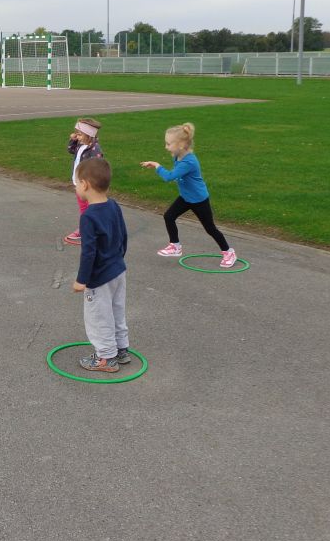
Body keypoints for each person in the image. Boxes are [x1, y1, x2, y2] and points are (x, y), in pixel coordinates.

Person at [140, 122, 237, 268]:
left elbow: (169, 177)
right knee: (169, 216)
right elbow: (178, 174)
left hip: (199, 200)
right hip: (186, 197)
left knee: (210, 228)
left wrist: (157, 166)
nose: (166, 147)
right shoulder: (177, 156)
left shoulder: (189, 162)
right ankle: (175, 246)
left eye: (168, 144)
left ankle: (229, 252)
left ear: (181, 145)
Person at [72, 158, 130, 373]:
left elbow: (89, 252)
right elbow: (123, 234)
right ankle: (121, 349)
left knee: (98, 317)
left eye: (77, 183)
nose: (76, 187)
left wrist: (82, 280)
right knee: (116, 310)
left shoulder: (88, 216)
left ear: (85, 184)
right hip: (118, 270)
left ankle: (106, 358)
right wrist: (118, 258)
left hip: (99, 278)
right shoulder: (113, 205)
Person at [65, 118, 104, 243]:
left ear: (88, 135)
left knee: (89, 209)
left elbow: (98, 167)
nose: (77, 136)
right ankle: (89, 229)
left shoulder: (94, 149)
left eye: (79, 134)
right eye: (77, 133)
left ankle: (87, 231)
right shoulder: (80, 144)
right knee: (84, 208)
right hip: (79, 183)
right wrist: (73, 140)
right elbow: (70, 150)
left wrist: (91, 183)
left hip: (88, 185)